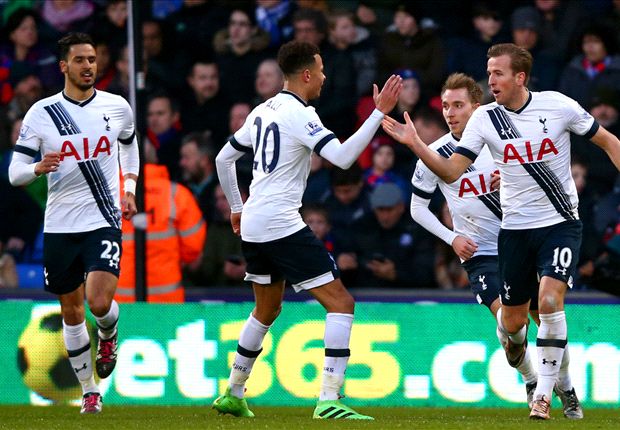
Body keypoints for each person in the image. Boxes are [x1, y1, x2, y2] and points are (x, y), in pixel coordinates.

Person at [382, 43, 620, 420]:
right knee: (511, 325)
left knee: (549, 305)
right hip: (505, 239)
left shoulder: (557, 105)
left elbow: (608, 141)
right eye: (488, 73)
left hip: (559, 223)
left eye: (497, 73)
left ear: (519, 77)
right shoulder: (481, 128)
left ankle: (551, 392)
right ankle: (531, 372)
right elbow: (449, 173)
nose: (491, 79)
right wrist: (415, 144)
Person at [213, 40, 401, 420]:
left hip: (254, 222)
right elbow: (344, 157)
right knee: (341, 303)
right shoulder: (301, 113)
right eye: (321, 69)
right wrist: (379, 114)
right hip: (281, 221)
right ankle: (329, 399)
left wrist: (237, 206)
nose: (325, 76)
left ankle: (233, 392)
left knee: (265, 309)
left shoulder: (262, 110)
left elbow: (223, 157)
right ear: (307, 74)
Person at [8, 32, 139, 414]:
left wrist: (128, 186)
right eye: (80, 60)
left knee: (99, 302)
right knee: (71, 311)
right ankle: (89, 391)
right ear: (64, 66)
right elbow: (15, 172)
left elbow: (129, 144)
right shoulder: (42, 113)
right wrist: (36, 167)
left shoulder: (117, 107)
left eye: (92, 59)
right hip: (60, 225)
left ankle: (109, 332)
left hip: (103, 218)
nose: (88, 66)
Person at [408, 72, 541, 405]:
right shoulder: (434, 153)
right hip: (479, 252)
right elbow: (417, 208)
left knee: (545, 319)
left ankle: (563, 385)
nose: (450, 113)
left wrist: (510, 182)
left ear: (476, 106)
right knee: (511, 321)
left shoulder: (503, 141)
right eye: (445, 106)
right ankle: (532, 379)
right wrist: (451, 237)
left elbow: (541, 186)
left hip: (519, 241)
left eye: (458, 105)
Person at [116, 142, 205, 302]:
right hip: (167, 301)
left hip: (118, 300)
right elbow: (193, 249)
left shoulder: (109, 195)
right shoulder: (177, 194)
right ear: (155, 158)